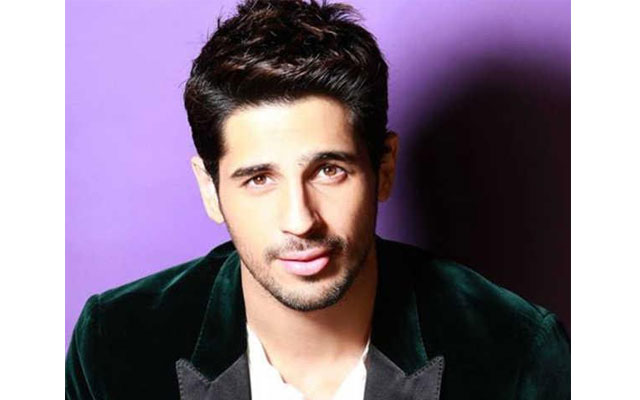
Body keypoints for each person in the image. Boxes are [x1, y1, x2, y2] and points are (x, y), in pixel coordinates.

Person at [65, 0, 570, 399]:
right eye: (259, 178)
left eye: (330, 171)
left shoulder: (515, 351)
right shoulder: (117, 342)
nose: (300, 220)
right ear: (210, 190)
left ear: (384, 169)